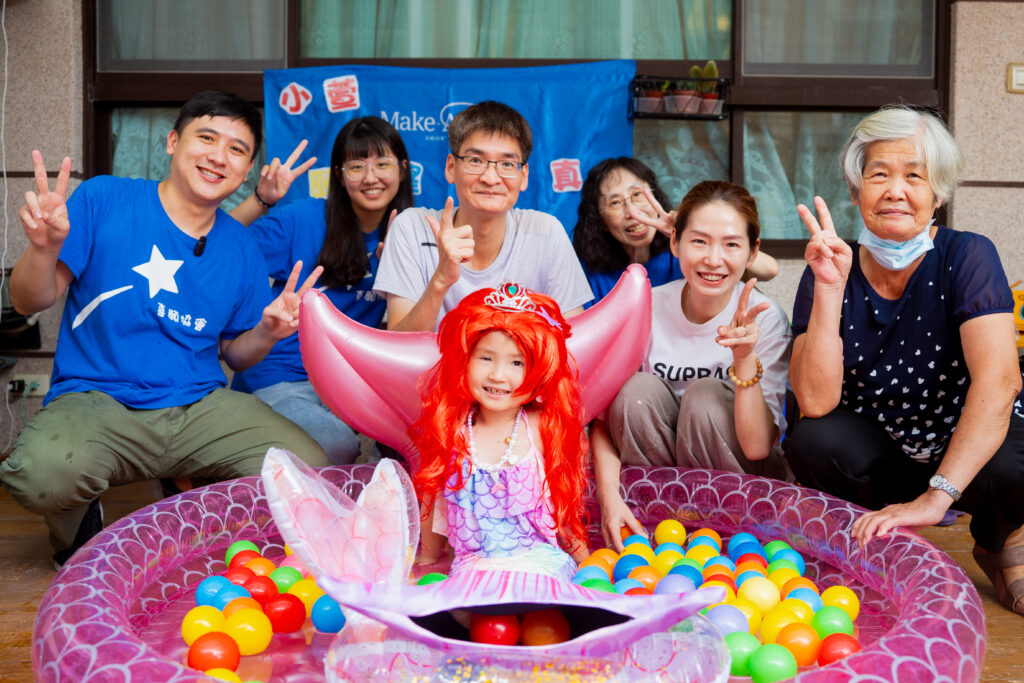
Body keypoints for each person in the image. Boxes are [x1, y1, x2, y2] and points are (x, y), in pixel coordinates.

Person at [0, 90, 328, 568]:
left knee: (308, 470)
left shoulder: (240, 247)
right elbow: (30, 299)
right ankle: (78, 530)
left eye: (237, 149)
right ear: (173, 142)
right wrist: (44, 248)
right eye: (207, 137)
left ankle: (196, 507)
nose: (219, 156)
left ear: (247, 169)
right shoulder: (105, 198)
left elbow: (235, 356)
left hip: (198, 407)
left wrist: (269, 332)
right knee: (41, 473)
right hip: (99, 400)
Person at [783, 105, 1024, 617]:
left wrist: (938, 497)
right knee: (813, 439)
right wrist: (830, 288)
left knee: (1016, 460)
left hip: (970, 451)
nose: (896, 190)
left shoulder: (967, 255)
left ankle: (999, 539)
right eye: (879, 175)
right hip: (888, 450)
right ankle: (883, 540)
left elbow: (1000, 382)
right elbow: (815, 402)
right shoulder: (829, 264)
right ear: (855, 191)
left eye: (915, 175)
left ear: (938, 194)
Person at [592, 181, 792, 550]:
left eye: (731, 244)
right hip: (661, 486)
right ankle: (654, 525)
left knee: (705, 398)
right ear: (674, 243)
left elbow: (759, 447)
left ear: (752, 253)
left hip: (744, 490)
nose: (713, 259)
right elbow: (603, 423)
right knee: (635, 393)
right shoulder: (645, 308)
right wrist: (609, 499)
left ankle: (727, 536)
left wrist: (744, 358)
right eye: (699, 241)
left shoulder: (765, 319)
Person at [228, 117, 414, 464]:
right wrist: (260, 199)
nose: (371, 178)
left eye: (383, 164)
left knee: (406, 446)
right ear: (340, 176)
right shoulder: (303, 219)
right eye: (357, 166)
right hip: (279, 375)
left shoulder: (412, 232)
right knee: (338, 446)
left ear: (403, 170)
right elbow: (217, 245)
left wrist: (400, 267)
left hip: (347, 384)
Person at [410, 283, 590, 581]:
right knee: (465, 613)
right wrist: (427, 562)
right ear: (464, 360)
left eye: (517, 362)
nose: (497, 374)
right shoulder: (453, 429)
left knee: (541, 607)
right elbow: (433, 499)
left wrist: (592, 567)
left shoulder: (539, 425)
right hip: (475, 568)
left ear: (540, 370)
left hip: (539, 563)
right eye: (486, 358)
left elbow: (563, 504)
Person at [374, 100, 593, 331]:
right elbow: (399, 345)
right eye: (475, 161)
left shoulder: (546, 234)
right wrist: (441, 280)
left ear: (524, 176)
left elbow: (573, 341)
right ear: (451, 168)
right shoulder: (412, 228)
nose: (490, 178)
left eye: (507, 164)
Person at [572, 157, 779, 307]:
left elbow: (770, 270)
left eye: (637, 194)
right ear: (600, 221)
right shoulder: (589, 276)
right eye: (615, 202)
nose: (633, 212)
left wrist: (686, 230)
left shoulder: (684, 253)